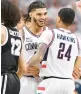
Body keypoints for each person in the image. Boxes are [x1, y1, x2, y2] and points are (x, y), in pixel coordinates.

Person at [28, 8, 81, 94]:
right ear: (71, 22)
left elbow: (39, 56)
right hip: (68, 84)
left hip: (50, 82)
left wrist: (28, 65)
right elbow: (77, 68)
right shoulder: (77, 40)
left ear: (59, 18)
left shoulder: (50, 33)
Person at [19, 1, 48, 94]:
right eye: (39, 14)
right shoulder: (21, 32)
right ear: (30, 14)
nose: (43, 17)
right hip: (24, 81)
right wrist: (22, 68)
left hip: (43, 81)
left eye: (45, 14)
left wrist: (43, 71)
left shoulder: (49, 33)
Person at [1, 0, 26, 94]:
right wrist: (13, 79)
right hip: (14, 80)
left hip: (3, 76)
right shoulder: (18, 34)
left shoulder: (2, 30)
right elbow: (23, 68)